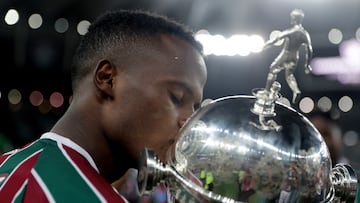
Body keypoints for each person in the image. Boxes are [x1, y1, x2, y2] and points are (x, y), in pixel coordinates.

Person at [0, 9, 207, 202]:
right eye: (177, 97)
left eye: (195, 108)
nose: (189, 121)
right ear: (108, 79)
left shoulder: (8, 165)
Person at [263, 9, 313, 103]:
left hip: (286, 54)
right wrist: (307, 65)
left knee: (272, 70)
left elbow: (276, 39)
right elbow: (309, 49)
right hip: (295, 57)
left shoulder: (291, 31)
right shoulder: (304, 34)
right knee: (289, 76)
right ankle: (296, 90)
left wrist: (264, 46)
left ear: (294, 19)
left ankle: (266, 92)